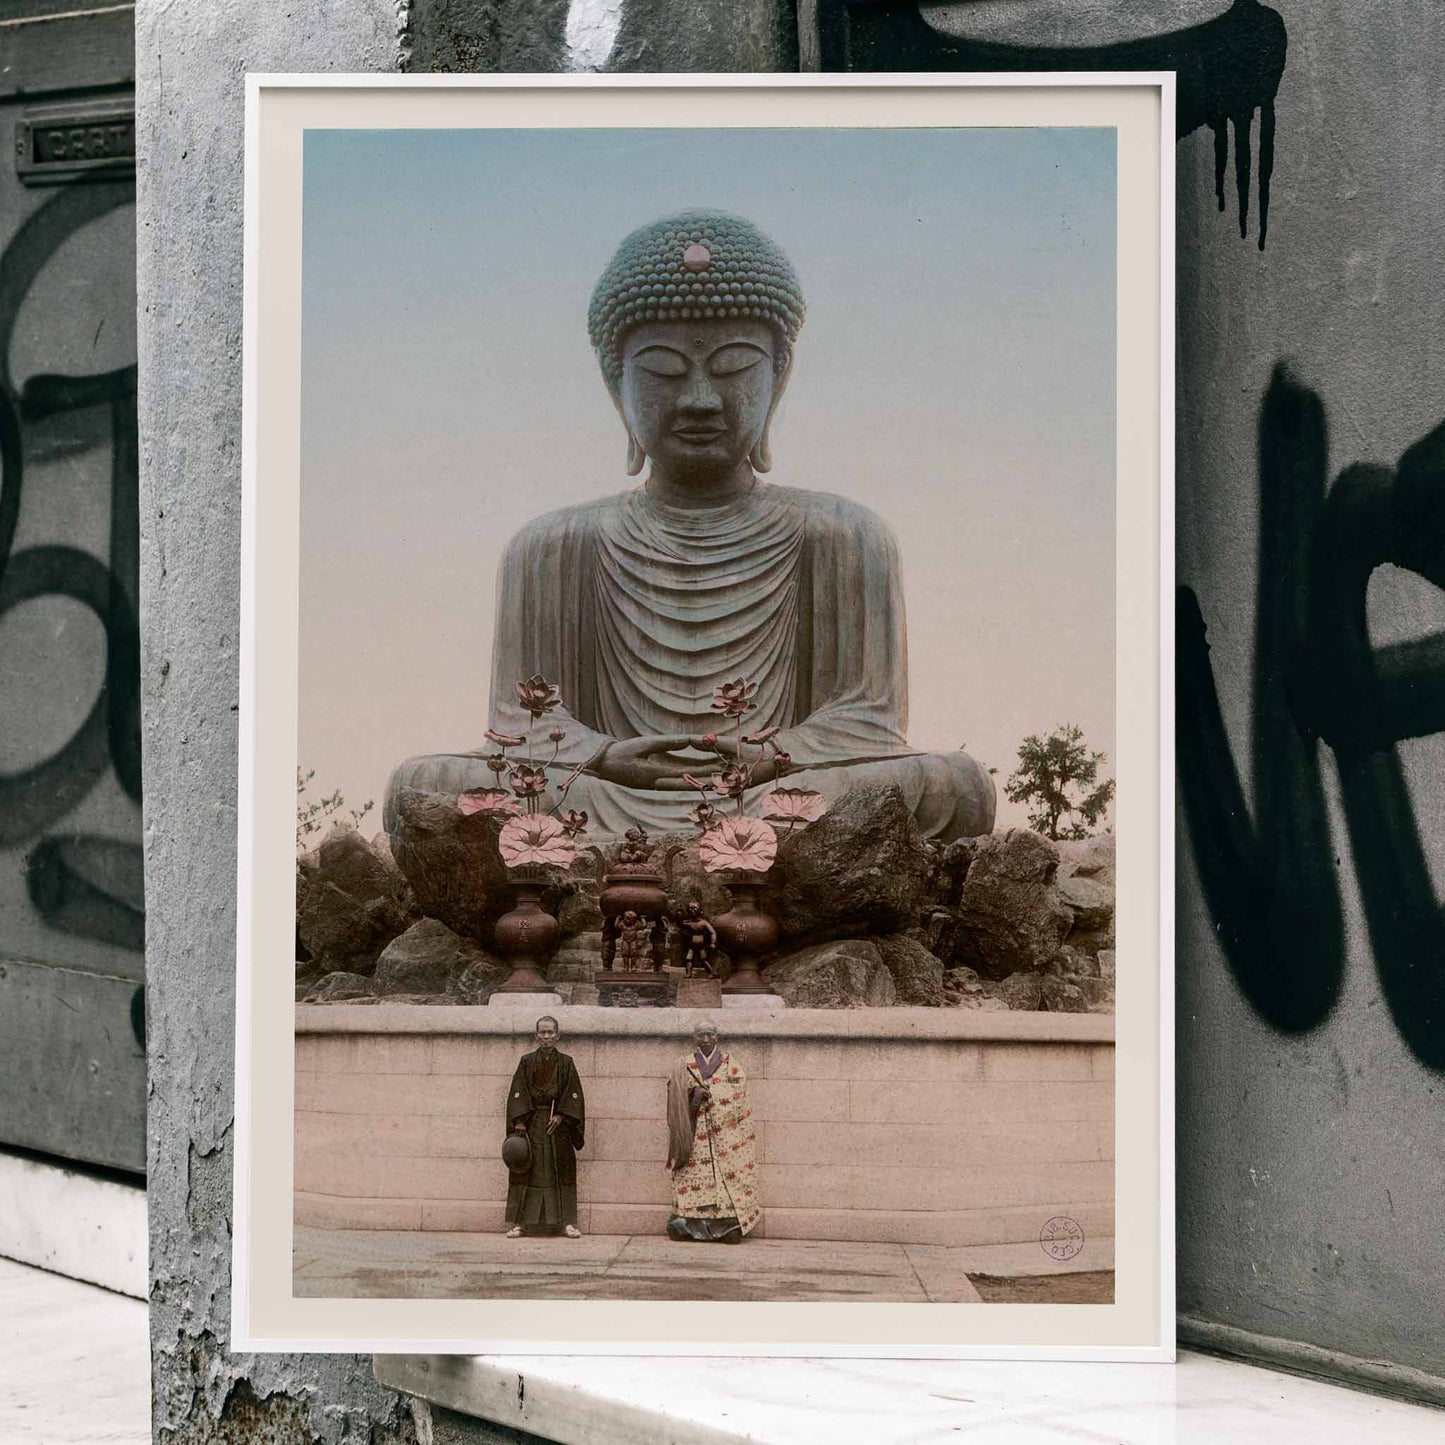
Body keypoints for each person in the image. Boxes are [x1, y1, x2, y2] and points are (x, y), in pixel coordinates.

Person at [385, 209, 995, 844]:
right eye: (663, 371)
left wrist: (775, 757)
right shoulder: (551, 547)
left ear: (777, 379)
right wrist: (600, 756)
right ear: (613, 383)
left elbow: (868, 723)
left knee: (954, 783)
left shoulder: (844, 534)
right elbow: (521, 726)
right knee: (424, 784)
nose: (700, 399)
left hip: (773, 795)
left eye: (733, 367)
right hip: (607, 794)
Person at [664, 1021, 759, 1243]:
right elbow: (674, 1093)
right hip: (694, 1131)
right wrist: (695, 1094)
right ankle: (687, 1223)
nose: (705, 1039)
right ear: (694, 1038)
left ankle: (726, 1226)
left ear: (717, 1037)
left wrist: (713, 1094)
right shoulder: (683, 1064)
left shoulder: (730, 1064)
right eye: (701, 1035)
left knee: (726, 1175)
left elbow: (739, 1093)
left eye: (709, 1034)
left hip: (723, 1132)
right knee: (692, 1174)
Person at [504, 1016, 585, 1239]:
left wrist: (561, 1115)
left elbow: (573, 1094)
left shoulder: (566, 1063)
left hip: (557, 1128)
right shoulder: (526, 1061)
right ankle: (520, 1223)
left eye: (551, 1033)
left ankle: (566, 1223)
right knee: (526, 1170)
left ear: (558, 1035)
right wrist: (519, 1121)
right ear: (536, 1036)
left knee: (561, 1172)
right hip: (530, 1126)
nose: (546, 1037)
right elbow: (517, 1093)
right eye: (542, 1033)